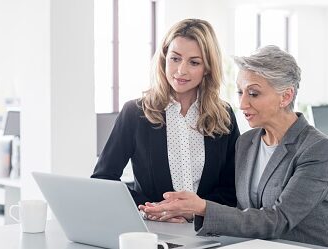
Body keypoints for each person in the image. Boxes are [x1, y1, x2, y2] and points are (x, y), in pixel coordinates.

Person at [142, 45, 328, 249]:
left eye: (254, 94)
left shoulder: (316, 148)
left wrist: (204, 207)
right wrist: (191, 212)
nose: (242, 104)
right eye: (240, 92)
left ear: (286, 96)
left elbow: (276, 220)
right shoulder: (247, 142)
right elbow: (244, 213)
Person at [92, 18, 239, 223]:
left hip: (209, 234)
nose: (181, 71)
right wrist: (150, 210)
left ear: (207, 68)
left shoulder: (223, 116)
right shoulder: (135, 113)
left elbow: (231, 190)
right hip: (152, 232)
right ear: (163, 59)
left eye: (194, 62)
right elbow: (103, 181)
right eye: (175, 58)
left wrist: (195, 212)